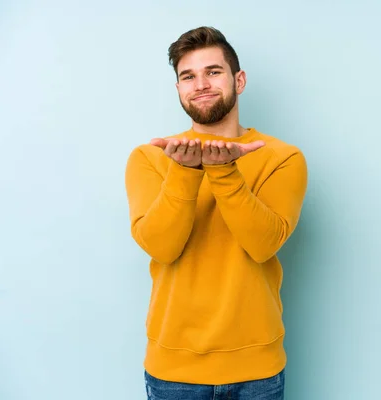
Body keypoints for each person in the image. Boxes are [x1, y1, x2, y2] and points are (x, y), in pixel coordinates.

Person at [124, 26, 308, 399]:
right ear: (178, 89)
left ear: (238, 80)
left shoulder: (282, 158)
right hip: (173, 372)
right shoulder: (150, 159)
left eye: (213, 71)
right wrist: (185, 172)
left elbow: (262, 244)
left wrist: (224, 172)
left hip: (257, 371)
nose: (201, 84)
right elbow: (162, 247)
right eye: (188, 76)